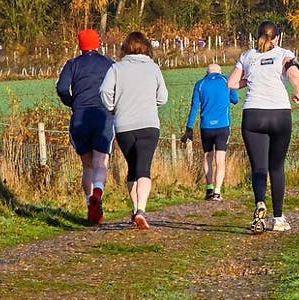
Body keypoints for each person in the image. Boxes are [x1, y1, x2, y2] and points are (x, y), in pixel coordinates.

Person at [229, 21, 299, 233]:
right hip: (279, 113)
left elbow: (232, 83)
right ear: (278, 37)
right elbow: (294, 72)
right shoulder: (284, 53)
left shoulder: (247, 56)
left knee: (259, 168)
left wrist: (250, 79)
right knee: (276, 167)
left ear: (257, 36)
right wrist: (297, 91)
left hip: (253, 114)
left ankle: (260, 203)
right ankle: (278, 218)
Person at [100, 31, 169, 230]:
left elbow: (104, 91)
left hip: (124, 125)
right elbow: (163, 97)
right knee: (144, 168)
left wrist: (113, 106)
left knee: (132, 168)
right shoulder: (153, 67)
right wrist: (150, 103)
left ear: (125, 47)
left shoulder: (116, 68)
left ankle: (135, 208)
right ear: (146, 46)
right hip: (148, 124)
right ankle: (141, 210)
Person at [56, 29, 115, 225]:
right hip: (102, 114)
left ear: (80, 45)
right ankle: (98, 192)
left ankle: (90, 202)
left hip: (80, 116)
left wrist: (72, 102)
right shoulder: (108, 64)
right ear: (98, 43)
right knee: (100, 163)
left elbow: (62, 88)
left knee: (87, 165)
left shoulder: (72, 65)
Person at [181, 62, 238, 201]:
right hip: (223, 126)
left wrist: (189, 127)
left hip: (206, 127)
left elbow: (194, 107)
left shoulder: (200, 84)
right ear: (220, 71)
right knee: (220, 159)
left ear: (207, 73)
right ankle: (218, 192)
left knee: (207, 156)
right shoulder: (226, 80)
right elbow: (235, 100)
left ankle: (209, 189)